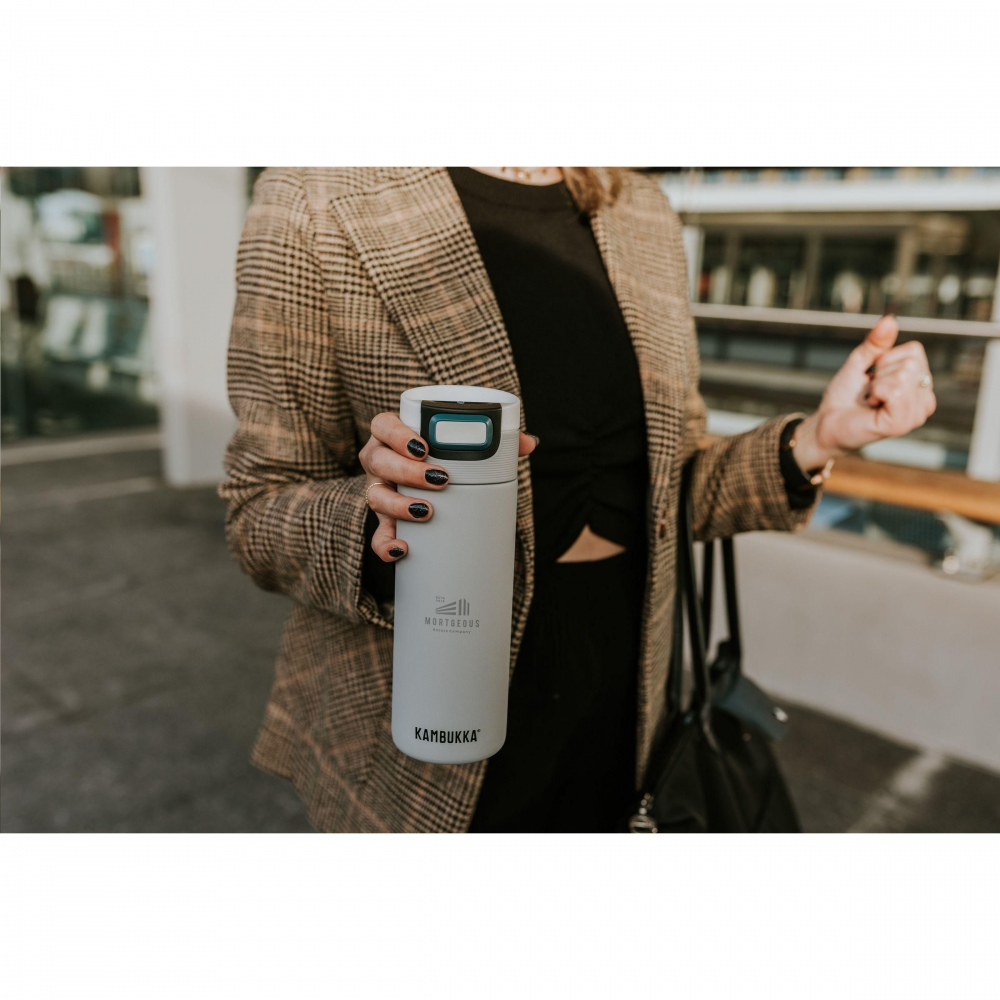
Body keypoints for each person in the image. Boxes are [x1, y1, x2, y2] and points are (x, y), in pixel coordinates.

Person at [219, 167, 936, 833]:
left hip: (624, 705)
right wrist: (378, 529)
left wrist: (818, 437)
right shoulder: (314, 197)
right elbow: (260, 504)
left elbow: (671, 490)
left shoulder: (638, 206)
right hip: (416, 721)